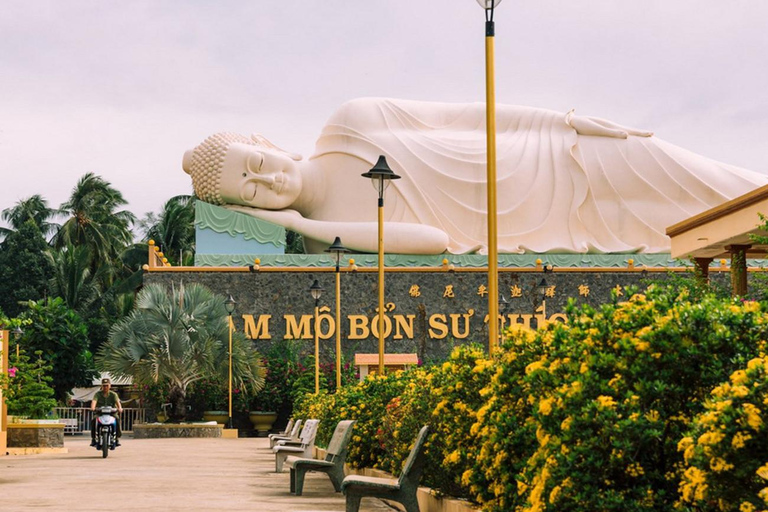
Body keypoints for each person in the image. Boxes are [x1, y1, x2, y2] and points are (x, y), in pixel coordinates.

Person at [182, 97, 768, 254]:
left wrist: (561, 119)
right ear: (245, 208)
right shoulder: (328, 232)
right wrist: (293, 223)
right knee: (674, 233)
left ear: (267, 143)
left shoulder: (350, 121)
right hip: (540, 227)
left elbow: (472, 112)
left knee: (715, 184)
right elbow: (433, 243)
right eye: (251, 191)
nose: (269, 181)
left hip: (550, 155)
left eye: (258, 164)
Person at [90, 377, 123, 447]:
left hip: (111, 413)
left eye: (107, 385)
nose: (105, 387)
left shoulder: (113, 394)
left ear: (110, 386)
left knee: (117, 419)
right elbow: (94, 401)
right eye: (104, 385)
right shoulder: (97, 394)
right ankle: (93, 438)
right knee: (93, 419)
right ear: (101, 386)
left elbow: (118, 402)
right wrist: (93, 407)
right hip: (100, 413)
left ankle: (117, 438)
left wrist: (120, 408)